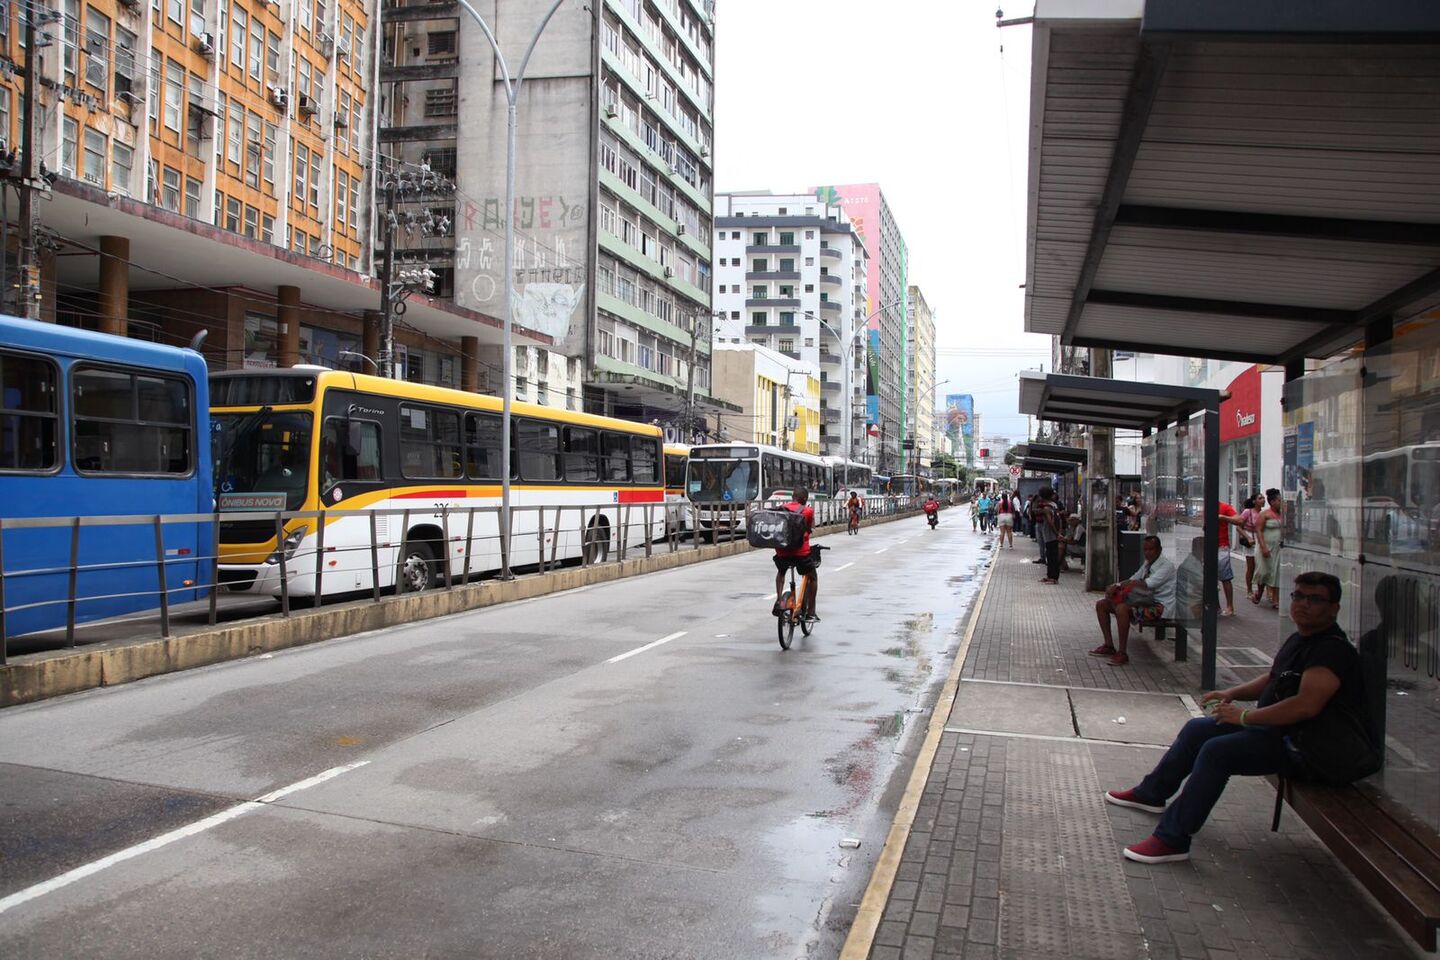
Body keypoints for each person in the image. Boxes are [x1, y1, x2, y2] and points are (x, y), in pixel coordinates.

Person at [1106, 572, 1366, 864]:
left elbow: (1306, 706)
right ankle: (1151, 793)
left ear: (1334, 609)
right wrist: (1231, 693)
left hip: (1308, 749)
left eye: (1315, 599)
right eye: (1299, 596)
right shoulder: (1301, 638)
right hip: (1279, 734)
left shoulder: (1331, 650)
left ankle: (1173, 839)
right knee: (1198, 729)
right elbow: (1273, 678)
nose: (1303, 604)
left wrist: (1245, 716)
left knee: (1218, 752)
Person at [1091, 534, 1177, 666]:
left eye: (1151, 550)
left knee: (1122, 609)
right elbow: (1134, 578)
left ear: (1159, 550)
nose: (1147, 553)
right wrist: (1117, 585)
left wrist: (1123, 587)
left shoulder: (1166, 566)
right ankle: (1109, 645)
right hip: (1143, 600)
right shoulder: (1147, 564)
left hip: (1159, 606)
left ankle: (1122, 652)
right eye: (1145, 550)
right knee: (1102, 605)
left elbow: (1147, 583)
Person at [772, 485, 818, 621]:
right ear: (804, 499)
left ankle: (779, 600)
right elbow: (809, 528)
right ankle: (811, 612)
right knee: (813, 577)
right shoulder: (808, 511)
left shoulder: (781, 509)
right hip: (801, 554)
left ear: (793, 496)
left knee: (781, 572)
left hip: (781, 553)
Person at [1252, 488, 1285, 608]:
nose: (1280, 503)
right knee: (1263, 572)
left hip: (1277, 548)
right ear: (1272, 502)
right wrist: (1263, 547)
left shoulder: (1282, 515)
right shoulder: (1264, 514)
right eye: (1278, 500)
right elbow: (1258, 531)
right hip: (1265, 547)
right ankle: (1260, 591)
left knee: (1276, 572)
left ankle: (1275, 599)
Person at [1213, 499, 1243, 616]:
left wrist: (1223, 517)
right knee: (1211, 579)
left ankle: (1230, 606)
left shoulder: (1224, 507)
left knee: (1225, 577)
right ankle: (1216, 606)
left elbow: (1239, 520)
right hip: (1210, 546)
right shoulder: (1206, 507)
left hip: (1222, 547)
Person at [1237, 492, 1263, 600]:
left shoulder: (1263, 513)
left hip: (1261, 540)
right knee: (1251, 567)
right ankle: (1249, 590)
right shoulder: (1248, 512)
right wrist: (1248, 537)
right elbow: (1238, 527)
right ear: (1254, 501)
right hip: (1251, 540)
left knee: (1260, 567)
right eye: (1260, 498)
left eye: (1263, 498)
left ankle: (1259, 591)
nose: (1263, 500)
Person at [1034, 486, 1062, 583]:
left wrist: (1056, 533)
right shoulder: (1054, 505)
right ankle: (1050, 576)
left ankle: (1053, 577)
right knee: (1051, 555)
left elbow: (1050, 522)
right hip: (1052, 534)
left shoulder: (1046, 508)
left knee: (1051, 556)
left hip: (1050, 535)